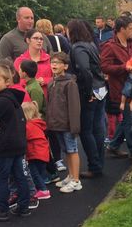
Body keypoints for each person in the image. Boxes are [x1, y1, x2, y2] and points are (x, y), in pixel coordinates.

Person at [0, 65, 29, 220]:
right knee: (19, 176)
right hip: (18, 143)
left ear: (7, 82)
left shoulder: (0, 101)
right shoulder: (13, 98)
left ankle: (1, 209)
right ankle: (24, 206)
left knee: (2, 178)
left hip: (5, 145)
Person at [68, 19, 108, 178]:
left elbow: (84, 69)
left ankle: (94, 165)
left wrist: (87, 91)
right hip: (101, 89)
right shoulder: (90, 44)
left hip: (91, 92)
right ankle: (98, 164)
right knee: (98, 128)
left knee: (86, 130)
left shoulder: (78, 48)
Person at [101, 16, 132, 162]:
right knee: (130, 121)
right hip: (121, 89)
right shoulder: (109, 46)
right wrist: (123, 68)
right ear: (122, 29)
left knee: (128, 120)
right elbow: (103, 66)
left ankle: (113, 145)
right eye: (130, 28)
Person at [47, 52, 82, 194]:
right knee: (66, 150)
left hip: (68, 124)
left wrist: (74, 126)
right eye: (52, 62)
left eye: (58, 62)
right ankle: (71, 175)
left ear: (65, 66)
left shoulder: (70, 83)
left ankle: (76, 180)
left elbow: (74, 106)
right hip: (57, 124)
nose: (54, 65)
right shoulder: (52, 82)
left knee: (72, 150)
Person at [21, 102, 51, 200]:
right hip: (43, 152)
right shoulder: (38, 123)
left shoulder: (28, 126)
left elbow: (24, 138)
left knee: (34, 172)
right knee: (40, 172)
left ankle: (43, 190)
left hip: (35, 153)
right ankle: (40, 188)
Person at [14, 29, 53, 96]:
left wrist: (45, 80)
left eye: (41, 39)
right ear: (28, 40)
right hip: (27, 99)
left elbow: (57, 78)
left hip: (48, 98)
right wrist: (31, 81)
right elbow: (15, 81)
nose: (39, 41)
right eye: (35, 38)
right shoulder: (19, 61)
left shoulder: (49, 59)